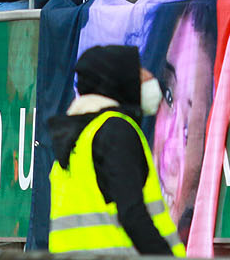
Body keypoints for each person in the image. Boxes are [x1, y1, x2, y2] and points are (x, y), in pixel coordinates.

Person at [48, 44, 185, 256]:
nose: (149, 78)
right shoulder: (115, 129)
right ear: (119, 82)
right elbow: (131, 213)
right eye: (138, 73)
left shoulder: (77, 135)